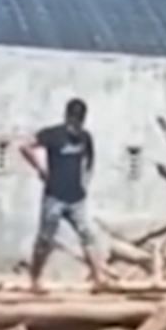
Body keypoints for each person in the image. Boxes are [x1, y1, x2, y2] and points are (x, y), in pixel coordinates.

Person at [20, 98, 107, 290]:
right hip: (54, 196)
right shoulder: (52, 135)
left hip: (76, 199)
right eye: (73, 122)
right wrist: (40, 168)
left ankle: (98, 277)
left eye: (80, 122)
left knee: (86, 235)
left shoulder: (85, 138)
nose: (76, 127)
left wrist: (85, 183)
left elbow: (90, 162)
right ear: (67, 118)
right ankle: (35, 278)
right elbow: (25, 146)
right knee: (45, 239)